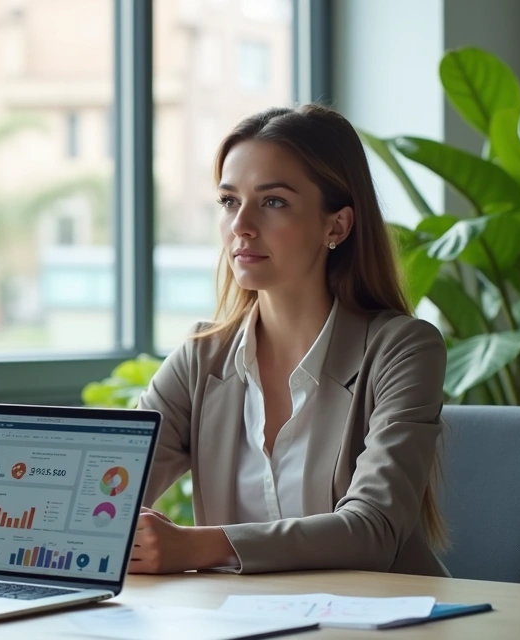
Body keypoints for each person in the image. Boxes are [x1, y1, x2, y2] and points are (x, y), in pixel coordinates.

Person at [128, 104, 449, 577]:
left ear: (336, 225)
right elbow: (105, 486)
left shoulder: (402, 349)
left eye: (273, 201)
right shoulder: (202, 358)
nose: (241, 225)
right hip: (243, 622)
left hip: (384, 621)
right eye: (229, 201)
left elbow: (373, 528)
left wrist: (195, 547)